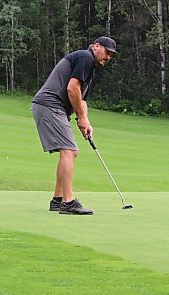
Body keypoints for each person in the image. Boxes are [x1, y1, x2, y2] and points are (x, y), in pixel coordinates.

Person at [31, 36, 117, 215]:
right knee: (69, 150)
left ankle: (58, 199)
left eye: (111, 55)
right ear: (96, 46)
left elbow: (81, 98)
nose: (108, 57)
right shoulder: (85, 57)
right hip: (50, 104)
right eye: (106, 52)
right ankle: (68, 203)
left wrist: (86, 121)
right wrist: (80, 117)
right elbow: (72, 89)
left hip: (53, 107)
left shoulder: (90, 67)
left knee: (71, 151)